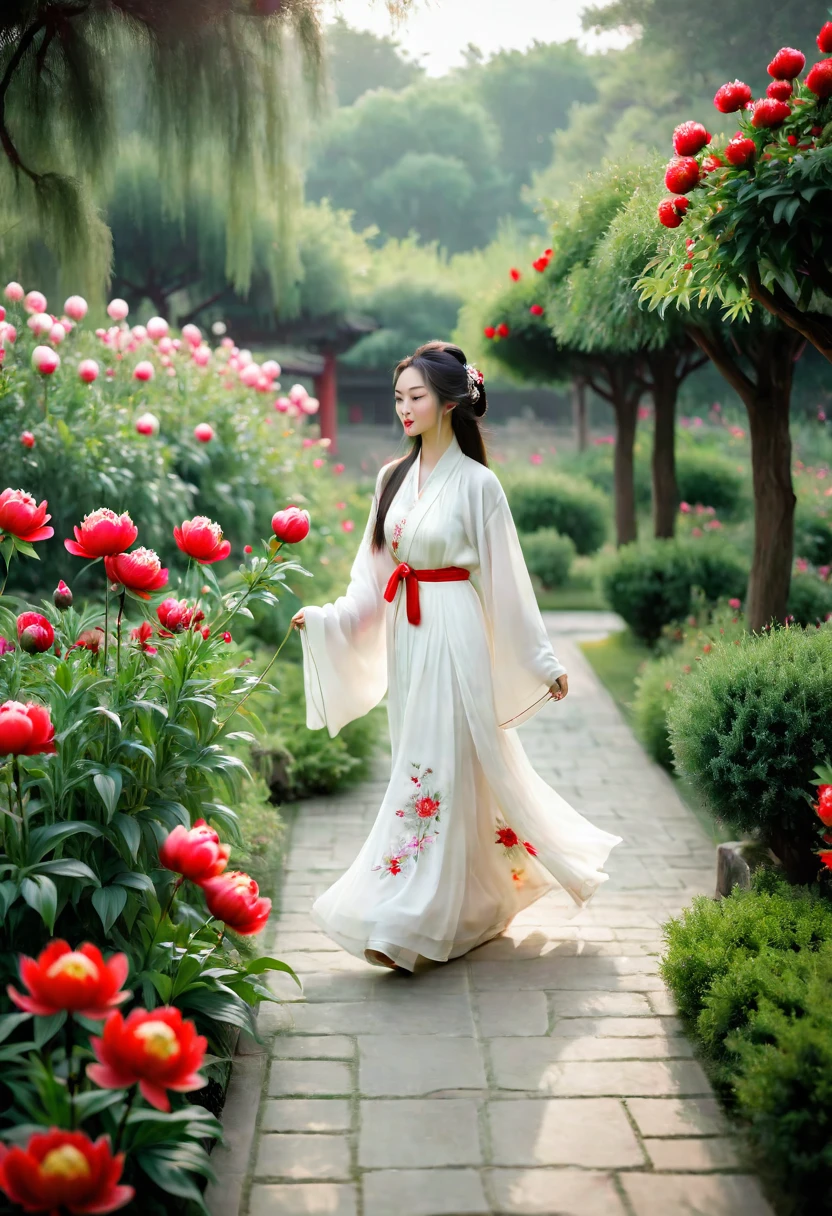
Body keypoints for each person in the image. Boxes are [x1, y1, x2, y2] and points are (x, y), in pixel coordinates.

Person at [290, 341, 621, 972]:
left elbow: (506, 581)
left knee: (437, 764)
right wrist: (328, 619)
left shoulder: (478, 485)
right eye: (398, 397)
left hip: (457, 629)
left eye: (415, 397)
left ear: (449, 402)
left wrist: (543, 661)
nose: (404, 408)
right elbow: (371, 577)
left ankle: (411, 915)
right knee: (427, 763)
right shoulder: (391, 479)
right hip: (408, 635)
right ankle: (466, 901)